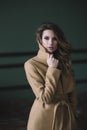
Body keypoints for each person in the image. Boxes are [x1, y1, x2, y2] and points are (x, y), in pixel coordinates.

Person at [24, 22, 78, 130]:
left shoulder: (64, 61)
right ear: (40, 40)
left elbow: (72, 93)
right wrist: (52, 69)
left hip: (66, 116)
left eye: (55, 39)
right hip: (43, 118)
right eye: (46, 38)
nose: (50, 42)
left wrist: (73, 114)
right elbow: (45, 98)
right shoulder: (31, 64)